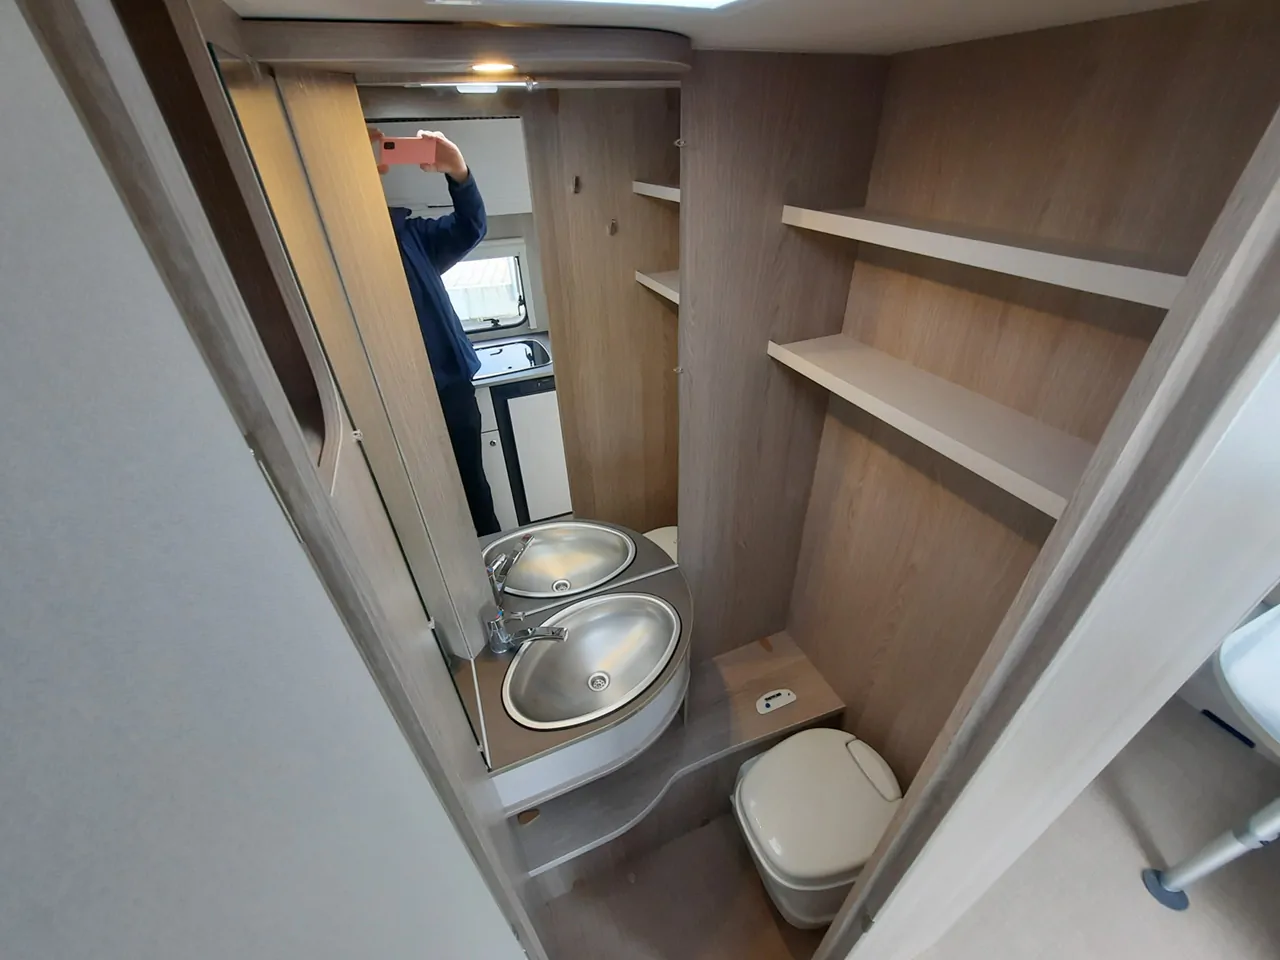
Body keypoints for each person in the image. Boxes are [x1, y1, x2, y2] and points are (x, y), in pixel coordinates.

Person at [375, 129, 501, 536]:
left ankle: (491, 567)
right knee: (422, 502)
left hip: (451, 391)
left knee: (474, 491)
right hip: (388, 401)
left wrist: (458, 172)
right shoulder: (336, 245)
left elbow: (470, 227)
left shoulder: (409, 235)